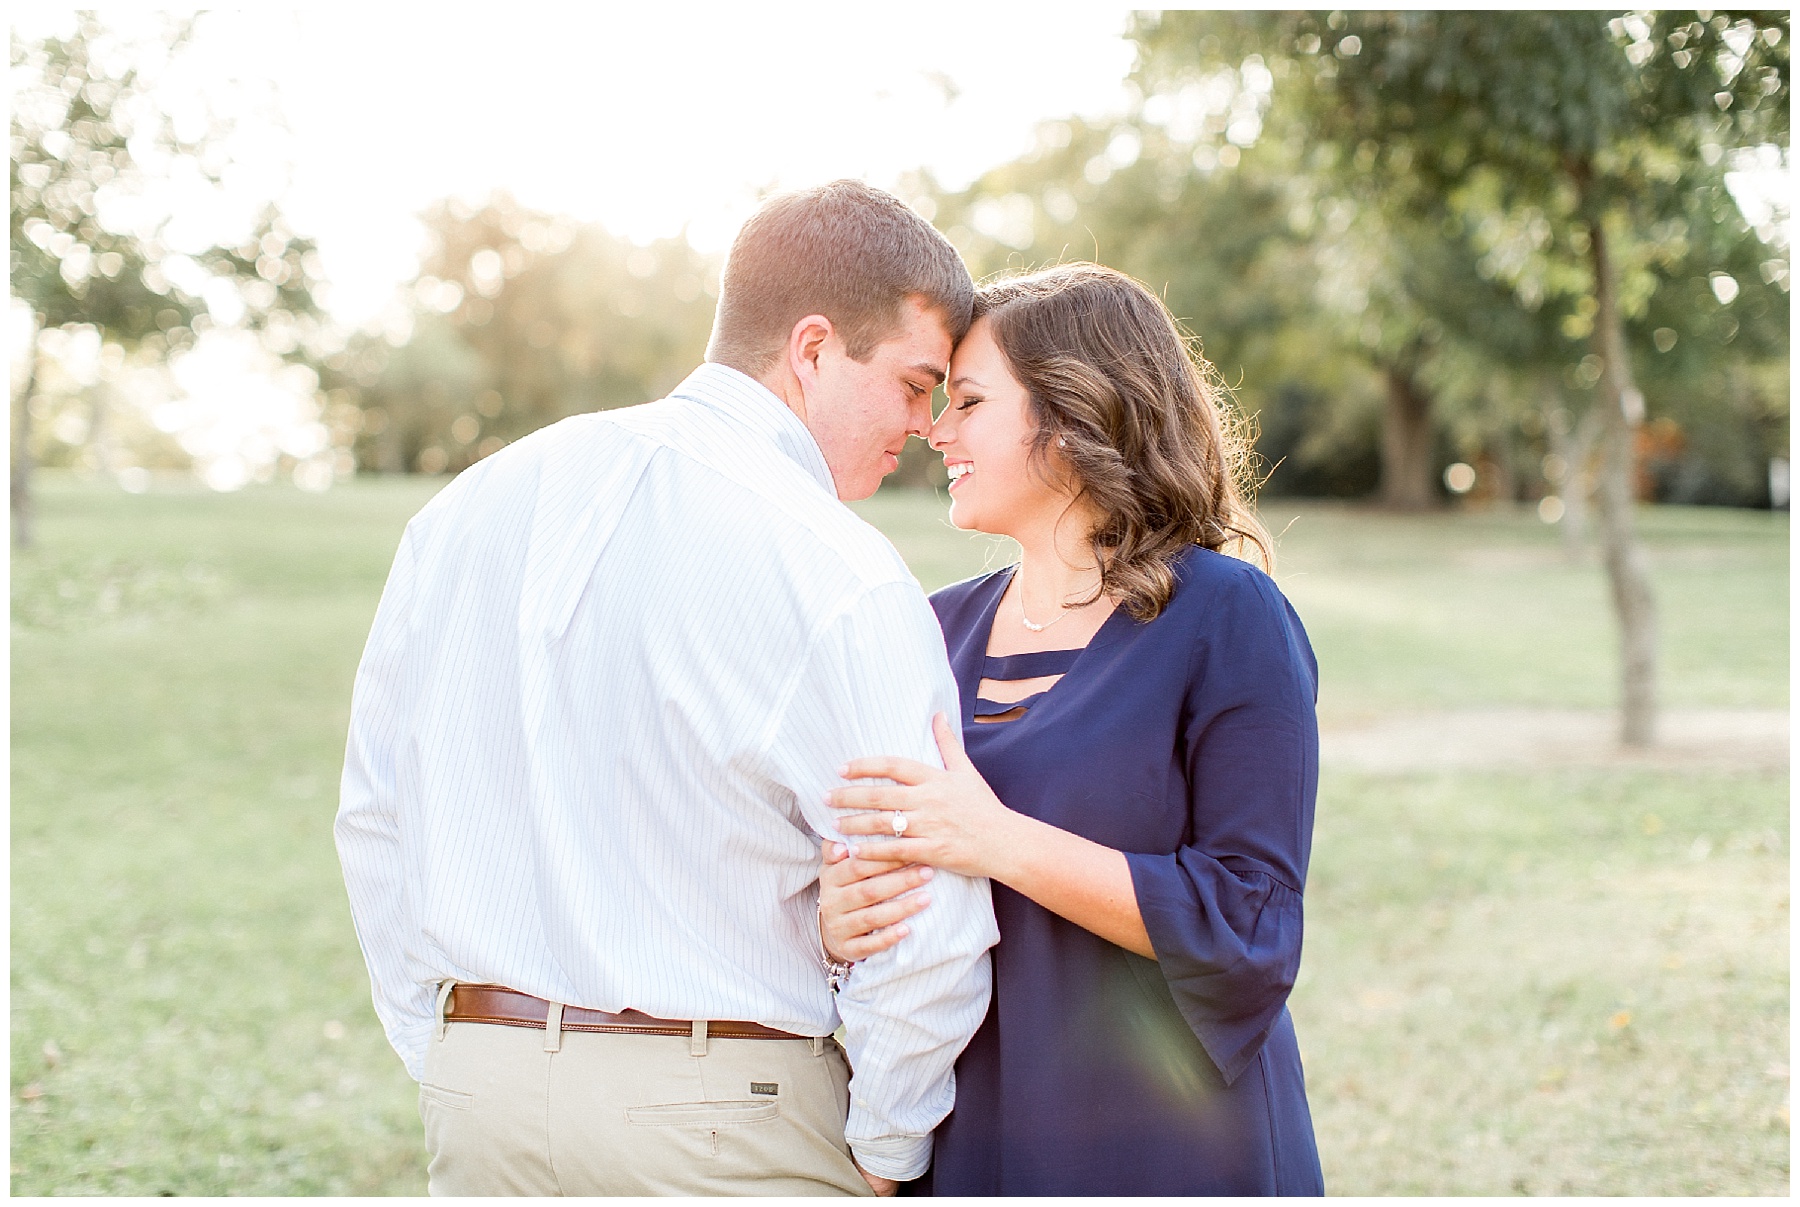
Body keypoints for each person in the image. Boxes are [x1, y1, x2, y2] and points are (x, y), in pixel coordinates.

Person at [335, 180, 998, 1197]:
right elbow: (924, 907)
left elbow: (377, 816)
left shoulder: (465, 513)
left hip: (483, 1103)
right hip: (725, 1124)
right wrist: (889, 1142)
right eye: (916, 383)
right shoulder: (840, 570)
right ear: (813, 349)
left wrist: (451, 1056)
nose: (924, 422)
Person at [817, 263, 1325, 1195]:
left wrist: (998, 840)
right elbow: (887, 867)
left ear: (1074, 411)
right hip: (972, 1135)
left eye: (968, 402)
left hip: (1169, 1142)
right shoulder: (929, 627)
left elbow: (1252, 923)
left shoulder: (1228, 617)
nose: (937, 430)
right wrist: (835, 920)